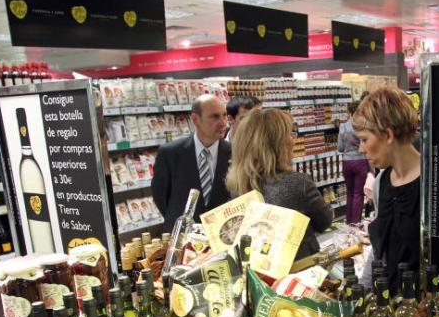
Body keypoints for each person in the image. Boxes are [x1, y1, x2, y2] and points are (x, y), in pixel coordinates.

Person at [226, 108, 332, 260]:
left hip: (255, 268)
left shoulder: (236, 183)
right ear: (278, 144)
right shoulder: (298, 183)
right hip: (298, 270)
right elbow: (325, 221)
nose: (293, 139)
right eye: (289, 134)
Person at [353, 87, 421, 288]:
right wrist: (364, 290)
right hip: (388, 305)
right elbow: (379, 249)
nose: (361, 148)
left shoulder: (432, 186)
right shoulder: (381, 182)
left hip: (422, 310)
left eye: (365, 139)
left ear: (388, 135)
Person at [151, 95, 231, 232]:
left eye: (224, 116)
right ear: (195, 119)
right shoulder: (170, 153)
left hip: (222, 236)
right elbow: (160, 196)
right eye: (215, 117)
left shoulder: (235, 153)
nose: (223, 123)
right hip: (182, 238)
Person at [337, 100, 371, 224]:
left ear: (349, 111)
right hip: (360, 161)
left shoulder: (343, 126)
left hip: (346, 162)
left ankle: (348, 221)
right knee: (358, 193)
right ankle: (356, 223)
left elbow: (340, 148)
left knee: (350, 193)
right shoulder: (362, 126)